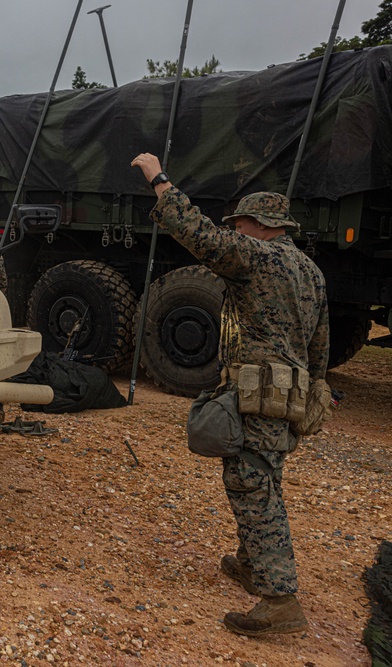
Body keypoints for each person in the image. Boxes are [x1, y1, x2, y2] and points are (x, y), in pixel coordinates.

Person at [131, 153, 329, 637]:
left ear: (260, 224)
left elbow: (199, 235)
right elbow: (318, 346)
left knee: (251, 485)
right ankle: (250, 562)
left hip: (259, 391)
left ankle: (279, 600)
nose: (235, 230)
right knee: (264, 475)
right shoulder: (310, 272)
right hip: (288, 395)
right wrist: (311, 394)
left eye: (239, 223)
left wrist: (159, 181)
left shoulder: (256, 257)